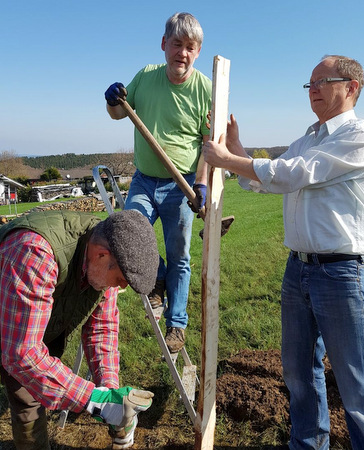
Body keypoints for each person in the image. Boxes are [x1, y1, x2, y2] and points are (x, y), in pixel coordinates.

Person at [202, 55, 364, 449]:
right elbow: (269, 180)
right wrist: (237, 149)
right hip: (297, 271)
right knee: (299, 377)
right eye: (309, 83)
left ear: (351, 88)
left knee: (358, 387)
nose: (312, 89)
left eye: (322, 81)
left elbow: (295, 173)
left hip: (340, 274)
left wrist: (229, 160)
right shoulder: (309, 138)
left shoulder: (358, 136)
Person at [0, 209, 159, 450]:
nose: (120, 287)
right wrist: (94, 401)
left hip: (15, 324)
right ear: (101, 255)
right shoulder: (36, 252)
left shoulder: (108, 250)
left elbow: (101, 330)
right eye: (121, 279)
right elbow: (23, 355)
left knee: (31, 400)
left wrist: (112, 397)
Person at [104, 12, 212, 353]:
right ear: (164, 45)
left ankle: (176, 324)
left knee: (180, 255)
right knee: (127, 233)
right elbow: (119, 113)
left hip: (182, 187)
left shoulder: (206, 90)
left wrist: (202, 184)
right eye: (177, 44)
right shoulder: (147, 76)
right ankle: (156, 277)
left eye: (190, 47)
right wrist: (112, 99)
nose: (182, 52)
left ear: (197, 52)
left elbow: (209, 147)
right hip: (144, 181)